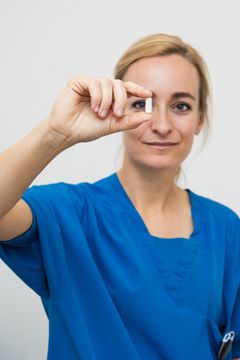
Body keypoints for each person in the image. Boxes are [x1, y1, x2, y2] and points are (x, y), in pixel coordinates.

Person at [0, 32, 239, 360]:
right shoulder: (71, 214)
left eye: (181, 106)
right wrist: (55, 133)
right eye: (142, 104)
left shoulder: (225, 227)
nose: (162, 125)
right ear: (116, 108)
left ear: (200, 119)